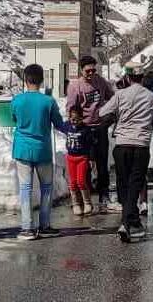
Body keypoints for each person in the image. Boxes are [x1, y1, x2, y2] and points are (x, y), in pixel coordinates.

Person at [98, 69, 153, 242]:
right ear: (142, 78)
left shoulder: (120, 95)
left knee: (123, 182)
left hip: (122, 144)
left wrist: (119, 116)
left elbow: (103, 112)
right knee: (135, 183)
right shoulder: (151, 97)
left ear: (127, 77)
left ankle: (127, 220)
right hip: (141, 145)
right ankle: (129, 221)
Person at [12, 63, 68, 240]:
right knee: (46, 188)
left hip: (22, 149)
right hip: (42, 150)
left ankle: (27, 227)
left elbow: (15, 119)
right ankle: (44, 225)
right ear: (42, 80)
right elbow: (59, 124)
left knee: (25, 188)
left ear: (25, 79)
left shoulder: (17, 100)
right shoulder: (48, 101)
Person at [65, 56, 115, 214]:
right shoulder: (75, 86)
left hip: (99, 126)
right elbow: (71, 107)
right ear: (81, 70)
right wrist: (74, 126)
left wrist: (109, 115)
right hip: (84, 128)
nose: (91, 73)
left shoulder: (100, 81)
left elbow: (112, 97)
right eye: (88, 70)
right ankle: (83, 199)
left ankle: (104, 194)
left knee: (102, 163)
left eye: (94, 70)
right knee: (85, 164)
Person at [63, 107, 96, 216]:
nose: (74, 122)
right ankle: (75, 203)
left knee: (81, 181)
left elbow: (91, 145)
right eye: (72, 119)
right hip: (70, 158)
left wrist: (91, 158)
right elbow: (58, 125)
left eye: (76, 120)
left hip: (82, 158)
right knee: (72, 182)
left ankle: (87, 203)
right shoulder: (67, 126)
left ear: (82, 119)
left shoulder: (85, 130)